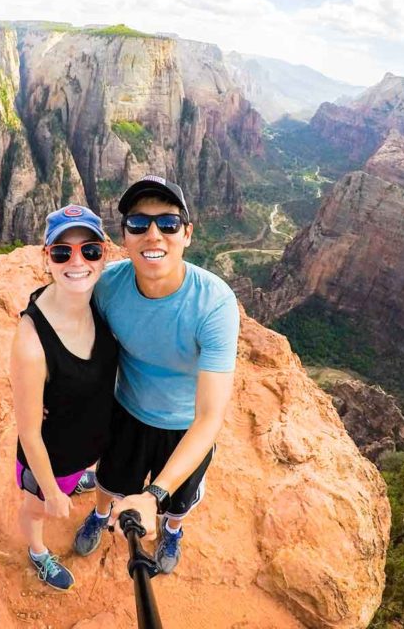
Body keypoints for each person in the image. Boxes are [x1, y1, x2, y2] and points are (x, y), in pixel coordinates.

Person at [73, 175, 240, 575]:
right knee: (110, 482)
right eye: (138, 224)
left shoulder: (215, 305)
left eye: (167, 224)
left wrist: (152, 495)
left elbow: (209, 418)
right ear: (124, 236)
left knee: (178, 501)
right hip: (127, 411)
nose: (153, 235)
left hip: (185, 427)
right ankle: (99, 515)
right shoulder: (107, 287)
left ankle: (173, 529)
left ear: (187, 234)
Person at [10, 204, 119, 591]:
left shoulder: (102, 299)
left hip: (85, 448)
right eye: (62, 251)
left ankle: (76, 481)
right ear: (48, 258)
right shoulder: (31, 342)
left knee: (77, 478)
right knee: (36, 508)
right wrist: (53, 492)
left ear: (104, 252)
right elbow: (28, 432)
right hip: (51, 462)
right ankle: (38, 553)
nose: (77, 261)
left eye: (89, 250)